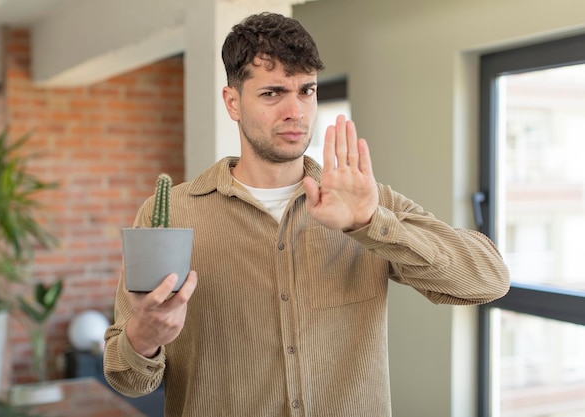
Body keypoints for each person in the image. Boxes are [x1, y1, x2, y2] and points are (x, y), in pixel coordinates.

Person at [103, 12, 509, 417]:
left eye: (306, 91)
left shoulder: (367, 203)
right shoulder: (172, 213)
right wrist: (145, 336)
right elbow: (128, 380)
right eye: (272, 93)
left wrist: (368, 224)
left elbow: (488, 280)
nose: (295, 112)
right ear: (233, 102)